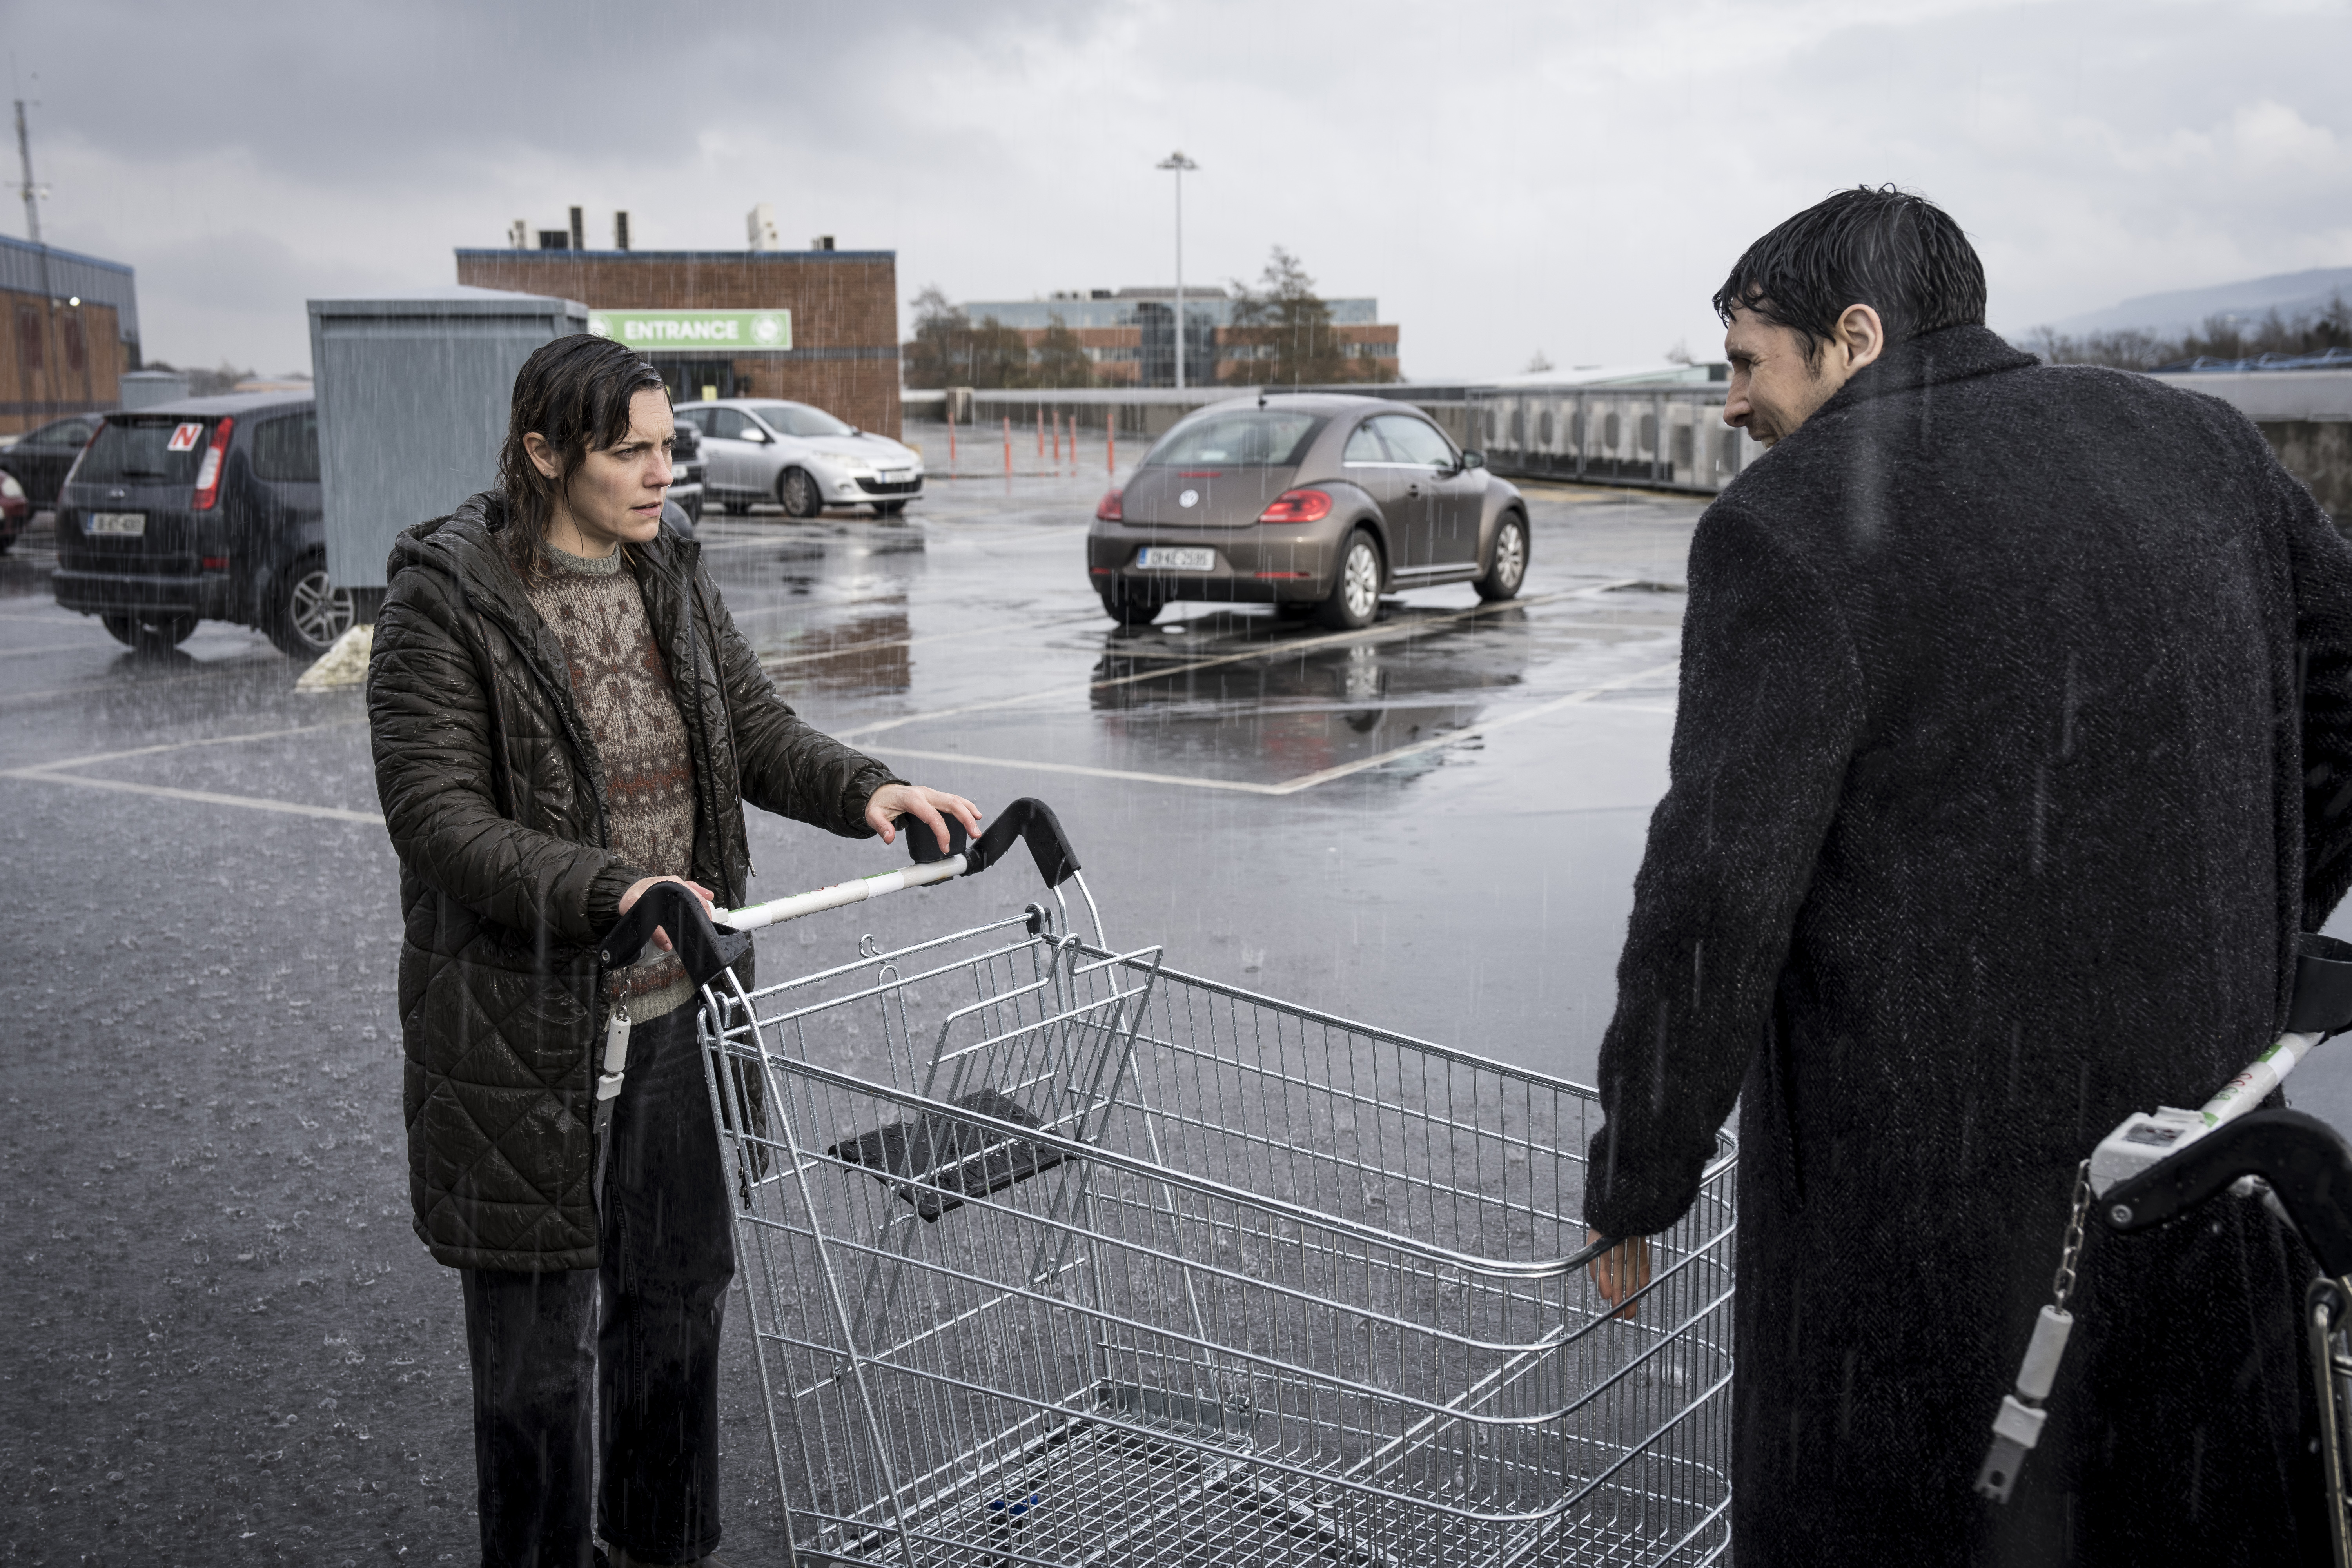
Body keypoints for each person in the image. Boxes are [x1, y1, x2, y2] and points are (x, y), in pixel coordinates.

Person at [1579, 186, 2352, 1564]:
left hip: (1932, 1240)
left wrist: (1641, 1174)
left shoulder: (1795, 525)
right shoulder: (2201, 444)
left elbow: (1713, 894)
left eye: (1749, 361)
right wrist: (2260, 911)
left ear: (1855, 337)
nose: (1731, 405)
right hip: (2199, 1169)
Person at [368, 334, 980, 1568]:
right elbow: (439, 820)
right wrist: (613, 889)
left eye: (666, 447)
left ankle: (661, 1550)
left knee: (676, 1312)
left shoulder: (671, 569)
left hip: (680, 1017)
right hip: (527, 1037)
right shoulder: (450, 597)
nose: (662, 474)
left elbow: (747, 726)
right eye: (630, 452)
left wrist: (868, 790)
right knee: (539, 1372)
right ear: (545, 453)